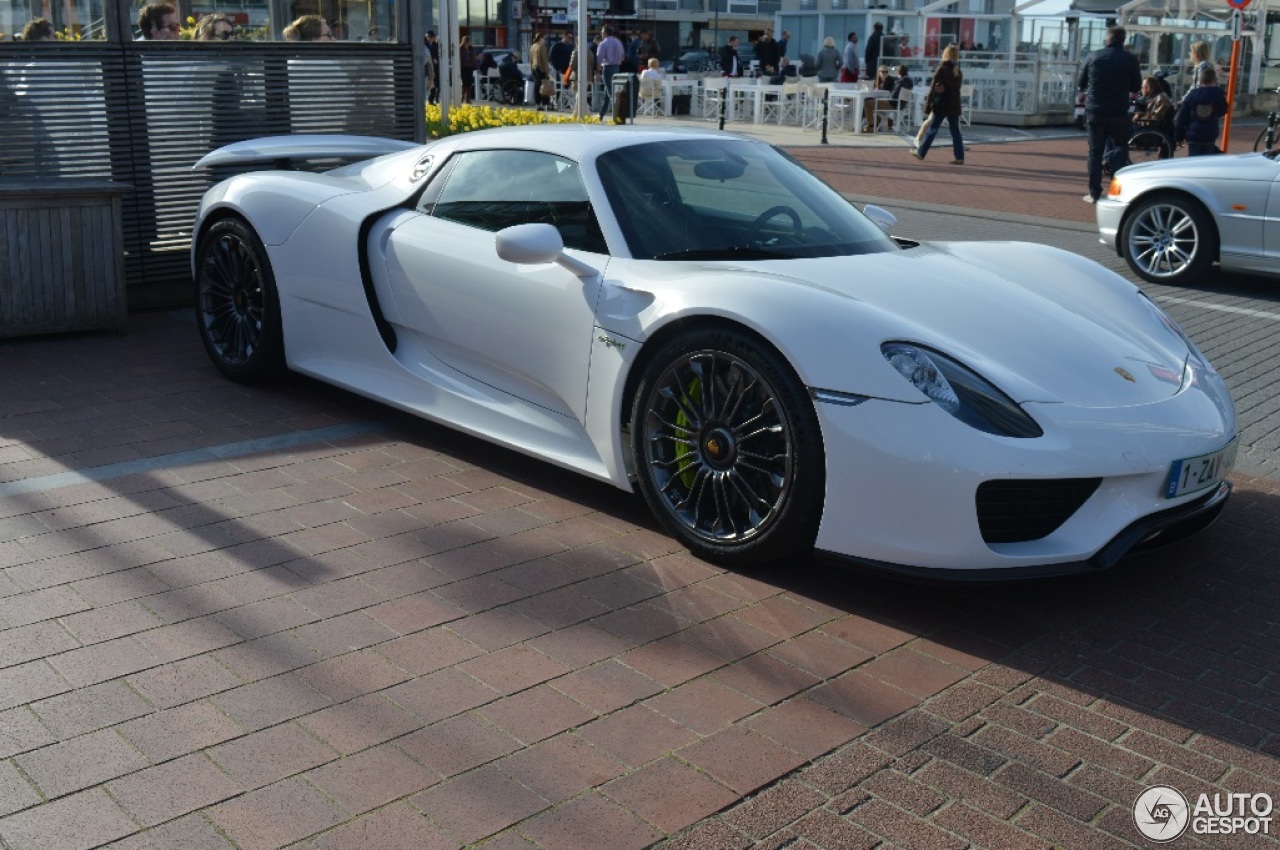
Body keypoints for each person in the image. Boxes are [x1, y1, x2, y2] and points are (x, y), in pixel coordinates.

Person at [1077, 25, 1141, 203]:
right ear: (1123, 40)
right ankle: (1117, 191)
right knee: (1120, 149)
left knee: (1095, 153)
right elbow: (1136, 86)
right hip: (1118, 112)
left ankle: (1094, 193)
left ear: (1108, 39)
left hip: (1095, 112)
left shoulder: (1093, 57)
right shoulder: (1130, 59)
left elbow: (1081, 82)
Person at [912, 43, 965, 164]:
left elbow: (932, 88)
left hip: (941, 103)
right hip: (954, 103)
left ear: (945, 55)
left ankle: (921, 152)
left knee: (933, 129)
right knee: (955, 131)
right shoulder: (958, 71)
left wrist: (928, 105)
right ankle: (959, 156)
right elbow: (958, 87)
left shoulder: (942, 69)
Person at [1175, 65, 1228, 156]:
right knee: (1207, 160)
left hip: (1194, 133)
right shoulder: (1218, 94)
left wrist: (1179, 137)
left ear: (1200, 80)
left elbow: (1182, 117)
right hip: (1210, 132)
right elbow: (1223, 110)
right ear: (1214, 80)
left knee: (1194, 160)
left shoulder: (1192, 95)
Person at [863, 64, 911, 132]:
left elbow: (894, 96)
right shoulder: (907, 80)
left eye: (896, 70)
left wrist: (890, 95)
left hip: (893, 103)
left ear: (899, 72)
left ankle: (871, 126)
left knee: (867, 103)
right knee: (869, 101)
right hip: (898, 104)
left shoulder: (901, 82)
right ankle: (874, 123)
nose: (885, 73)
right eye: (883, 72)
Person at [596, 25, 625, 119]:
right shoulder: (618, 42)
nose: (601, 33)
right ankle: (601, 114)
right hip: (617, 67)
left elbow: (599, 59)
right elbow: (623, 56)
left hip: (608, 67)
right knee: (609, 92)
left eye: (602, 32)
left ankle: (618, 113)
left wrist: (597, 72)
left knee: (610, 92)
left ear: (605, 33)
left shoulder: (603, 43)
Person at [530, 32, 552, 108]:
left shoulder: (532, 47)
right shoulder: (541, 47)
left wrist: (531, 69)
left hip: (534, 68)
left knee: (537, 86)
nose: (544, 40)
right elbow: (544, 60)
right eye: (544, 39)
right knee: (545, 86)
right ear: (540, 38)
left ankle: (538, 104)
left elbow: (531, 59)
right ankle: (546, 104)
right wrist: (547, 72)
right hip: (541, 69)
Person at [458, 34, 477, 102]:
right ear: (466, 41)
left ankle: (468, 99)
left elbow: (473, 58)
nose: (470, 42)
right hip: (464, 68)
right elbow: (460, 58)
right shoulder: (461, 48)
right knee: (464, 83)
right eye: (469, 41)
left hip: (470, 68)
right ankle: (462, 97)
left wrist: (475, 66)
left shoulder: (471, 49)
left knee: (469, 83)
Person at [425, 31, 440, 103]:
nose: (431, 38)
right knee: (429, 82)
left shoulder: (436, 45)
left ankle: (432, 99)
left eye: (432, 37)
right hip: (427, 66)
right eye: (430, 37)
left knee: (435, 84)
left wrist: (436, 59)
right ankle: (430, 99)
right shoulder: (424, 44)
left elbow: (438, 54)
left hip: (435, 66)